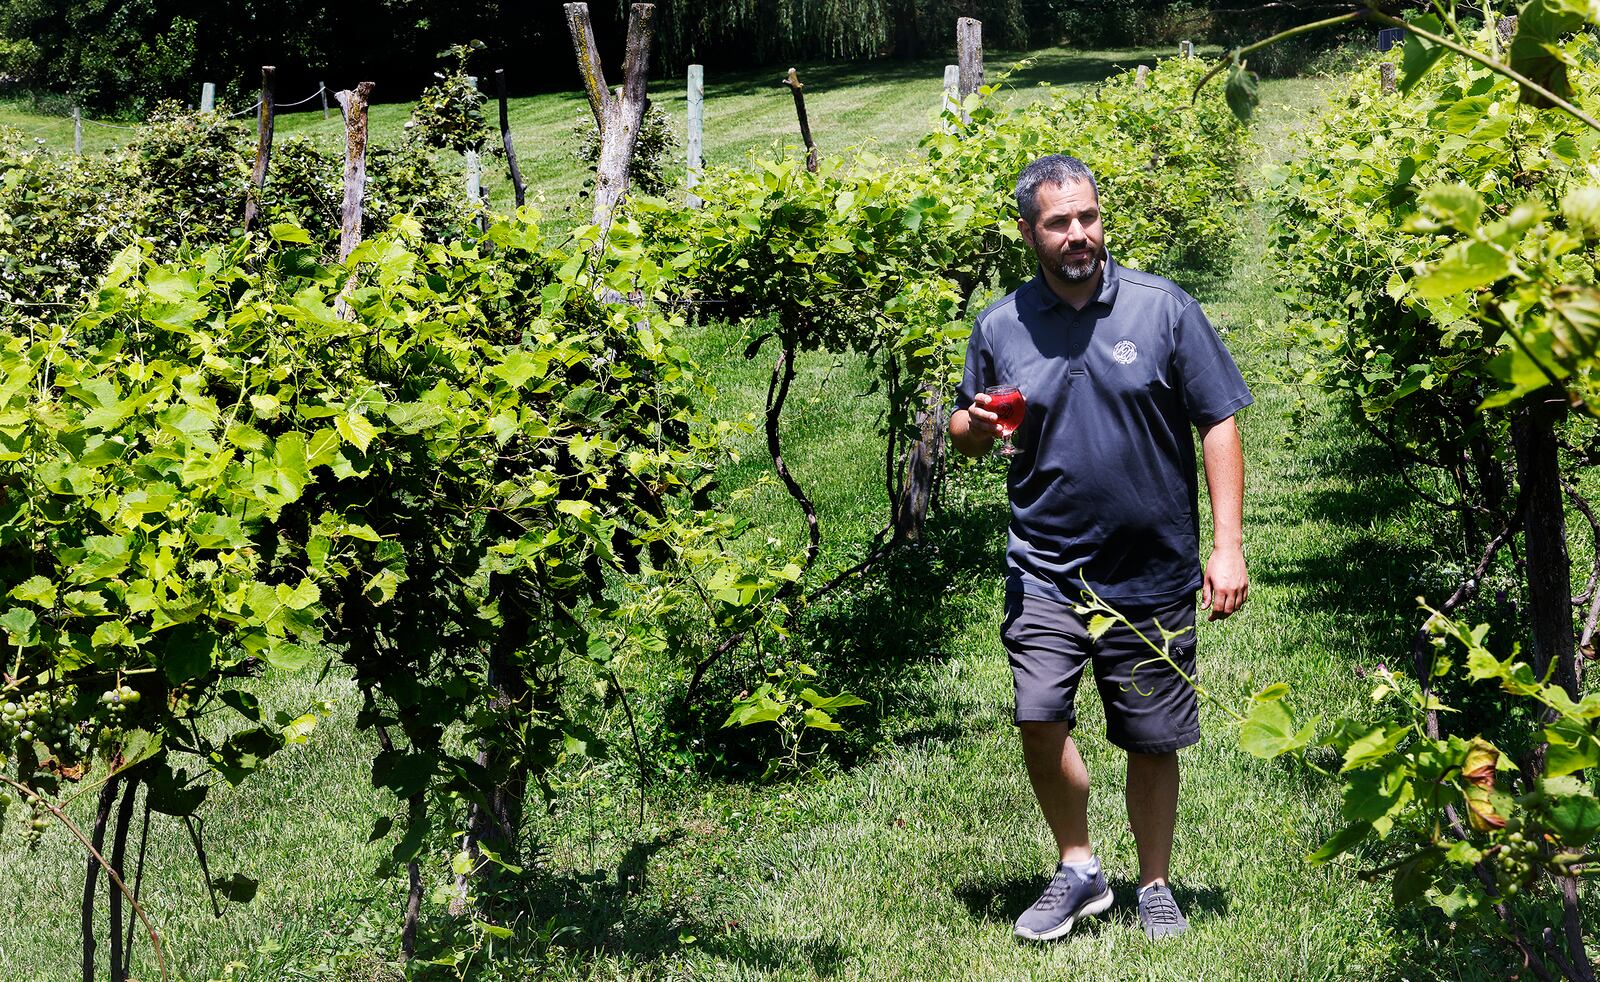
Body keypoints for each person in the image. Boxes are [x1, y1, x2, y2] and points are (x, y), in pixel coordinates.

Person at [948, 154, 1251, 941]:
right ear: (1029, 232)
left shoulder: (1162, 310)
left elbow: (1217, 419)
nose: (1078, 234)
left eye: (1087, 216)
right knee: (1038, 718)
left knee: (1152, 737)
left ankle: (1153, 882)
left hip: (1149, 571)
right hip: (1046, 565)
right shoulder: (1002, 325)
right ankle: (1079, 865)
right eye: (1058, 222)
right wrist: (971, 429)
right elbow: (965, 430)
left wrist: (1227, 547)